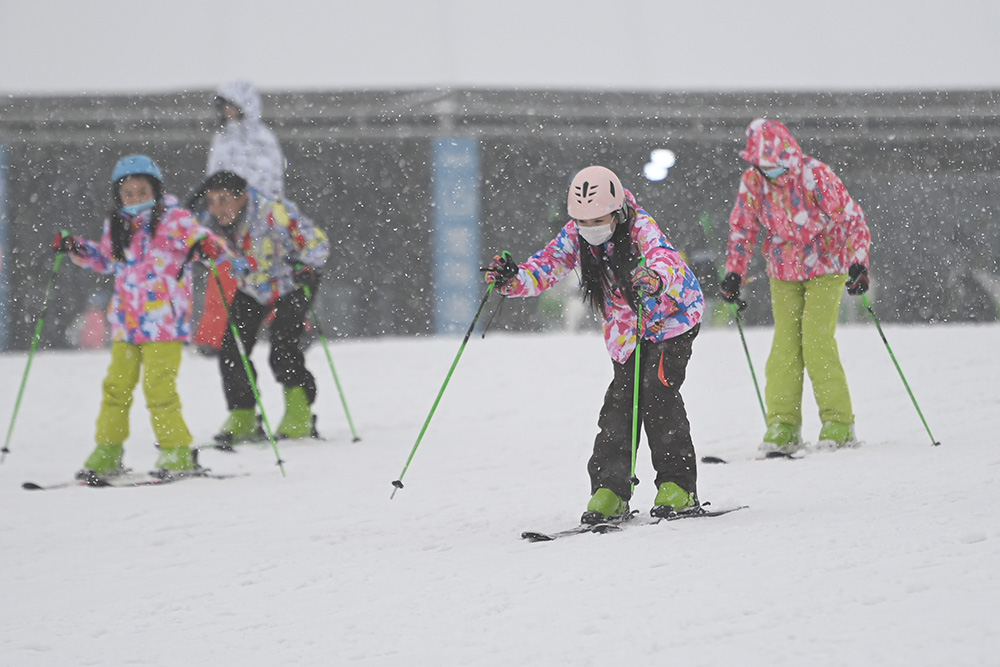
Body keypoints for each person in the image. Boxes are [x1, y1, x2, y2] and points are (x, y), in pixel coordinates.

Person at [485, 165, 705, 524]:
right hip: (626, 331)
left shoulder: (640, 227)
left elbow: (667, 261)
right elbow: (546, 266)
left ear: (617, 211)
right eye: (582, 222)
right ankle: (610, 489)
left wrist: (654, 278)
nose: (590, 229)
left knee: (657, 390)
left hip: (671, 321)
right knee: (620, 403)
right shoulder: (577, 234)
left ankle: (678, 487)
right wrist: (512, 279)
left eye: (598, 220)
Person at [52, 154, 238, 479]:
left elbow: (211, 245)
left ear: (155, 190)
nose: (135, 199)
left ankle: (176, 450)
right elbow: (106, 260)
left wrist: (207, 247)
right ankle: (108, 449)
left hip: (164, 323)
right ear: (119, 197)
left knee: (158, 388)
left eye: (142, 191)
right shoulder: (118, 226)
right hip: (126, 323)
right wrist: (76, 247)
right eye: (128, 193)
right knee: (116, 387)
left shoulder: (175, 220)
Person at [719, 118, 872, 454]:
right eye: (762, 165)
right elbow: (742, 229)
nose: (769, 171)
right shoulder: (753, 182)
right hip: (782, 271)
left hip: (826, 265)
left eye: (774, 165)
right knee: (785, 347)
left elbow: (850, 218)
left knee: (816, 341)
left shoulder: (814, 174)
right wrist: (734, 273)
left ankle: (839, 422)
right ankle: (783, 424)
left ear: (789, 155)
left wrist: (858, 261)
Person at [201, 171, 330, 443]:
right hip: (254, 285)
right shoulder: (211, 224)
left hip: (291, 282)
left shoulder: (273, 213)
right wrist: (203, 254)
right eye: (212, 201)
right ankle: (243, 413)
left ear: (242, 198)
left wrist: (307, 265)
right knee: (231, 347)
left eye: (223, 200)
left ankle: (300, 411)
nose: (217, 209)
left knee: (283, 345)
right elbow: (206, 250)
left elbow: (318, 241)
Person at [192, 80, 286, 355]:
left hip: (256, 221)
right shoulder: (222, 139)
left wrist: (257, 208)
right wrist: (207, 199)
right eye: (224, 107)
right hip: (226, 220)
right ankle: (214, 336)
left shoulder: (262, 140)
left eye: (232, 106)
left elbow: (270, 181)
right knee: (223, 276)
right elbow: (214, 174)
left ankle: (287, 326)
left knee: (265, 275)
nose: (228, 112)